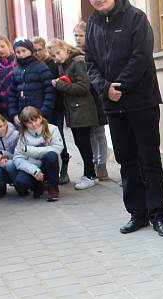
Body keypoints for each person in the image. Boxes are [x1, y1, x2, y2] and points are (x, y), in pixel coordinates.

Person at [85, 0, 163, 237]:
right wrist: (105, 89)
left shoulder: (136, 17)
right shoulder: (92, 23)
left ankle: (158, 214)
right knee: (126, 160)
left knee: (149, 160)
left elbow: (141, 56)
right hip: (113, 106)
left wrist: (120, 86)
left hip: (141, 100)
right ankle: (137, 213)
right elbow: (89, 63)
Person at [49, 38, 100, 190]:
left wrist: (60, 84)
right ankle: (90, 173)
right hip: (74, 110)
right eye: (53, 55)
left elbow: (84, 86)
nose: (56, 57)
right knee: (81, 142)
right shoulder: (63, 64)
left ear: (65, 48)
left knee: (84, 143)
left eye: (58, 53)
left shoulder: (77, 62)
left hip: (82, 109)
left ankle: (90, 175)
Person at [73, 20, 109, 180]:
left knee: (99, 132)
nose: (78, 38)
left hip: (98, 96)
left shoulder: (96, 50)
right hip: (85, 100)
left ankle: (102, 164)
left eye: (81, 35)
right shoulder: (73, 55)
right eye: (76, 35)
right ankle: (93, 161)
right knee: (90, 135)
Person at [33, 36, 70, 184]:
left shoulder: (53, 63)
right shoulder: (34, 65)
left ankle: (64, 168)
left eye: (40, 49)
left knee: (58, 136)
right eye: (34, 50)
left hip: (56, 107)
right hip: (42, 108)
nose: (37, 52)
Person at [12, 106, 63, 201]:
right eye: (29, 123)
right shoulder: (23, 135)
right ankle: (38, 186)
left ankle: (53, 187)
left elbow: (58, 148)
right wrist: (34, 170)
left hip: (48, 165)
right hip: (33, 167)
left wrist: (31, 150)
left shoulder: (52, 129)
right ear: (24, 124)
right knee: (20, 182)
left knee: (51, 155)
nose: (34, 124)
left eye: (35, 120)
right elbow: (17, 158)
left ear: (40, 117)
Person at [6, 39, 55, 126]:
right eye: (18, 52)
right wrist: (14, 114)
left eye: (24, 51)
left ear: (30, 50)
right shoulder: (16, 71)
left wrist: (43, 113)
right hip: (23, 117)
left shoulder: (41, 67)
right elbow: (12, 95)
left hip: (40, 116)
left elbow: (50, 92)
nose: (21, 54)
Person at [0, 35, 16, 121]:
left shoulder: (17, 60)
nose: (0, 49)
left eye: (2, 46)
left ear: (8, 45)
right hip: (3, 107)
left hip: (17, 103)